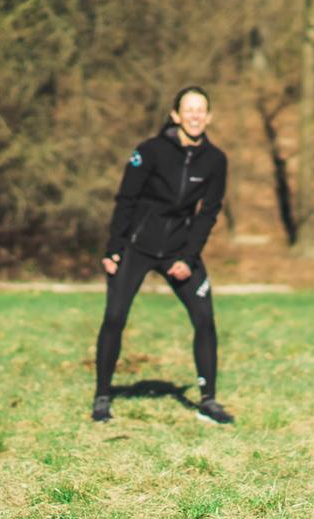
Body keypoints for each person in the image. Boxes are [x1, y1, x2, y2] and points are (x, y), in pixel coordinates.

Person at [92, 86, 231, 425]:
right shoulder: (149, 151)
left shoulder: (215, 160)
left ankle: (209, 400)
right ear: (175, 115)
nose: (195, 115)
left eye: (201, 110)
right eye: (189, 109)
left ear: (209, 116)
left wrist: (188, 256)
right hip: (137, 246)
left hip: (179, 250)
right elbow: (125, 199)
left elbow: (208, 213)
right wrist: (114, 248)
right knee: (114, 317)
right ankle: (102, 397)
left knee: (205, 319)